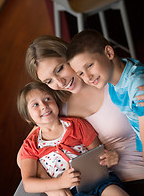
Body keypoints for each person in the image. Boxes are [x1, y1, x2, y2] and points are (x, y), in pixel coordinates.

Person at [17, 81, 129, 196]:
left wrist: (107, 158)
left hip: (98, 180)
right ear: (27, 117)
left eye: (47, 99)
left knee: (115, 192)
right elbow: (28, 184)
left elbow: (97, 152)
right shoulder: (30, 145)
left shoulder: (77, 125)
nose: (44, 106)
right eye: (35, 104)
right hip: (71, 192)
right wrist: (59, 183)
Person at [66, 29, 144, 160]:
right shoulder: (118, 79)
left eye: (90, 65)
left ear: (109, 53)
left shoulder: (137, 88)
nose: (88, 77)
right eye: (80, 73)